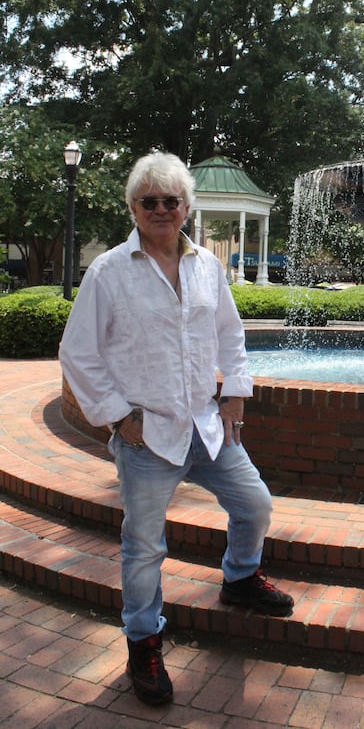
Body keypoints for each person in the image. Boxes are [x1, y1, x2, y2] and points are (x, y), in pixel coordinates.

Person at [59, 151, 294, 707]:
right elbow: (78, 353)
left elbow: (231, 335)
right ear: (133, 207)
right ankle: (143, 641)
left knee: (255, 505)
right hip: (148, 436)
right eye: (149, 201)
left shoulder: (207, 266)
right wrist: (118, 415)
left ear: (186, 208)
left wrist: (235, 391)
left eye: (171, 200)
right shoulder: (109, 271)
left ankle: (239, 578)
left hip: (206, 428)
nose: (161, 209)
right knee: (143, 547)